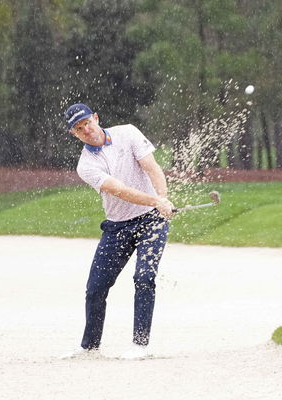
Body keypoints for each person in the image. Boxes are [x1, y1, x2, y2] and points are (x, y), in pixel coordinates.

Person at [61, 104, 174, 360]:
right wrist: (156, 201)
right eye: (78, 129)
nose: (86, 130)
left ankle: (140, 345)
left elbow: (152, 168)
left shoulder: (128, 133)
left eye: (87, 123)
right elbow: (119, 190)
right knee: (95, 288)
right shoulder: (86, 165)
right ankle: (89, 346)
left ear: (96, 118)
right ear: (74, 134)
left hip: (152, 220)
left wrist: (163, 200)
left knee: (144, 277)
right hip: (117, 227)